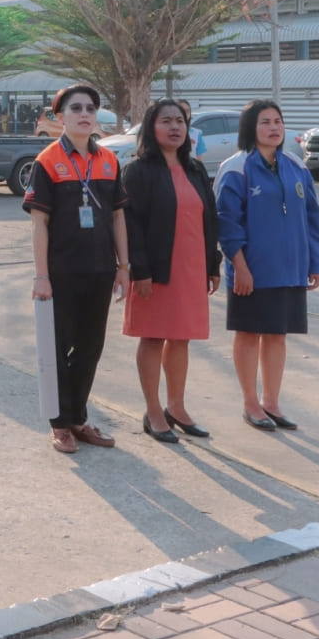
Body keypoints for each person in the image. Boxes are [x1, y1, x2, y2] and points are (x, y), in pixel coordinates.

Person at [24, 82, 129, 454]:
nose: (85, 114)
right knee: (58, 348)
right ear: (60, 117)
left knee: (90, 348)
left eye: (90, 108)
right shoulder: (47, 161)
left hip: (101, 270)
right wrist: (41, 276)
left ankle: (79, 419)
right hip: (61, 272)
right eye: (76, 108)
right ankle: (60, 424)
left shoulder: (109, 160)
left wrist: (123, 266)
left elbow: (118, 217)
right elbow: (39, 223)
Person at [215, 98, 319, 432]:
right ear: (250, 127)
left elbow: (312, 217)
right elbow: (227, 223)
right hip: (252, 271)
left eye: (278, 121)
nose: (274, 128)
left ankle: (271, 402)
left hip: (290, 269)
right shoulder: (236, 168)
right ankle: (250, 403)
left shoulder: (296, 166)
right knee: (249, 334)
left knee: (277, 336)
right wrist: (239, 266)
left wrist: (315, 261)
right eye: (265, 122)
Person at [119, 99, 220, 444]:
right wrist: (140, 270)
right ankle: (153, 411)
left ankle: (176, 406)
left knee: (181, 337)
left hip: (191, 268)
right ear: (151, 127)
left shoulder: (195, 170)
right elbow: (130, 225)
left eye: (180, 121)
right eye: (166, 121)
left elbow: (210, 219)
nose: (175, 127)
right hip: (155, 270)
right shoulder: (138, 171)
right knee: (153, 336)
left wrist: (213, 264)